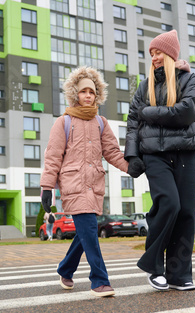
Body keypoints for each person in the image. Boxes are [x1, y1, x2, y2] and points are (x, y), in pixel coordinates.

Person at [40, 66, 138, 297]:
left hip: (94, 185)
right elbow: (53, 157)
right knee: (90, 229)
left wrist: (131, 167)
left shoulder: (101, 122)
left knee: (86, 233)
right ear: (75, 94)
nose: (87, 96)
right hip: (72, 185)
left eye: (92, 92)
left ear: (97, 95)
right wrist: (46, 188)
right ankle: (99, 280)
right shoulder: (63, 122)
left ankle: (65, 268)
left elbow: (112, 152)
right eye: (83, 91)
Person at [124, 29, 195, 291]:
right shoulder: (143, 87)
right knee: (168, 203)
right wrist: (133, 156)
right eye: (151, 53)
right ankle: (153, 265)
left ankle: (179, 275)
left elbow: (188, 112)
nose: (154, 57)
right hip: (155, 155)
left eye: (158, 52)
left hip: (184, 153)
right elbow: (133, 123)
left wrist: (150, 112)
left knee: (185, 213)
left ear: (170, 54)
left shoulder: (188, 80)